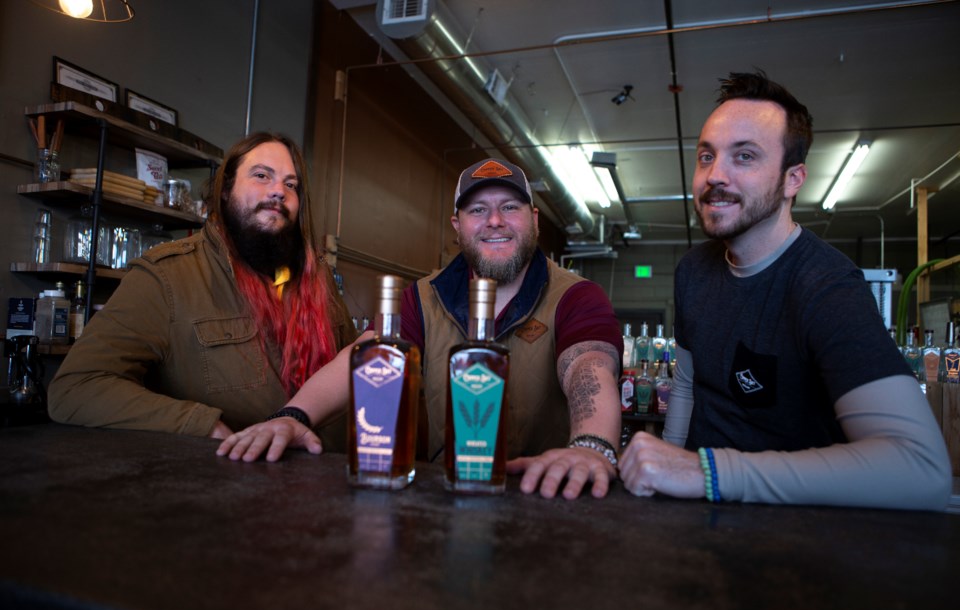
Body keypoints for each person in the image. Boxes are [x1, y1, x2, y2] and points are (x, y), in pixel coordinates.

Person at [618, 71, 952, 510]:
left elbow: (921, 469)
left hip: (790, 538)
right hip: (697, 523)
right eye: (706, 156)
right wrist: (668, 472)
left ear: (793, 179)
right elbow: (686, 385)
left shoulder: (826, 286)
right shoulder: (693, 270)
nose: (715, 175)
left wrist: (708, 472)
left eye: (745, 156)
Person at [48, 132, 359, 459]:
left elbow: (357, 368)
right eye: (261, 175)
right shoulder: (168, 277)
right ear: (225, 191)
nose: (278, 191)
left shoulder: (318, 279)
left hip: (329, 484)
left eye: (291, 184)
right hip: (229, 490)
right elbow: (76, 387)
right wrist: (201, 425)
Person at [402, 158, 624, 499]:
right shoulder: (420, 298)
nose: (494, 221)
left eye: (509, 206)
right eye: (477, 210)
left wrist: (590, 446)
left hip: (546, 496)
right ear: (457, 226)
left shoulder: (577, 296)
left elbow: (589, 367)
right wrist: (294, 416)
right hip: (449, 497)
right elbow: (365, 359)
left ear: (533, 220)